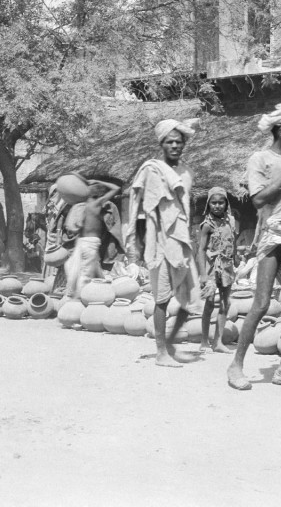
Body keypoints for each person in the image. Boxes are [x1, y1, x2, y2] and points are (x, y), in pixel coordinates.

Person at [227, 104, 281, 390]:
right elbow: (258, 199)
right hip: (272, 236)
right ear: (280, 130)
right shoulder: (261, 158)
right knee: (262, 303)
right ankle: (236, 366)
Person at [126, 118, 200, 368]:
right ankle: (161, 352)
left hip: (181, 238)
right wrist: (138, 245)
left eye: (178, 142)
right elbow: (141, 208)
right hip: (158, 240)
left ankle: (170, 345)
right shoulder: (152, 170)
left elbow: (185, 206)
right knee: (162, 298)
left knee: (190, 297)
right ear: (162, 144)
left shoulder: (187, 172)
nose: (175, 146)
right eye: (170, 142)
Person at [64, 179, 122, 300]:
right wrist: (99, 181)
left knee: (73, 267)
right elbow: (116, 188)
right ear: (99, 195)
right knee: (85, 274)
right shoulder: (97, 203)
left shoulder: (81, 206)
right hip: (90, 243)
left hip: (81, 241)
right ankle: (79, 299)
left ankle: (76, 294)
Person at [196, 187, 238, 354]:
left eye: (221, 202)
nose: (217, 206)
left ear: (226, 204)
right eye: (214, 203)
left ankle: (218, 342)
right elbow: (200, 250)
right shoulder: (207, 225)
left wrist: (235, 259)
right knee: (209, 302)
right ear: (209, 204)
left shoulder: (231, 222)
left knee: (225, 303)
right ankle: (204, 341)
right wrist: (203, 274)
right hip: (212, 268)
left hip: (226, 267)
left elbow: (232, 242)